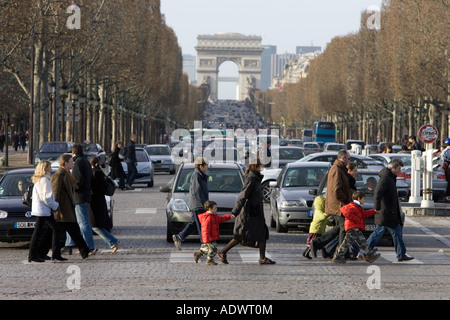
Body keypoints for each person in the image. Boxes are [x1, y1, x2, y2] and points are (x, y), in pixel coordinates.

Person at [218, 158, 275, 265]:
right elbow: (243, 195)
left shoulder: (256, 178)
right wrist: (235, 211)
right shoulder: (252, 178)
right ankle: (222, 252)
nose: (262, 167)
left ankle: (262, 258)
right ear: (256, 166)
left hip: (256, 213)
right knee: (240, 236)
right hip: (249, 214)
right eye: (260, 165)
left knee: (262, 234)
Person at [366, 159, 414, 262]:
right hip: (385, 213)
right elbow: (377, 194)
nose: (399, 171)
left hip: (390, 213)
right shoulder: (385, 179)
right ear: (393, 168)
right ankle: (364, 252)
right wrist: (377, 208)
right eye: (398, 169)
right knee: (378, 233)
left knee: (396, 233)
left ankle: (401, 254)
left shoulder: (390, 178)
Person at [310, 149, 352, 258]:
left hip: (338, 204)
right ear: (342, 158)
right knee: (344, 228)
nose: (349, 161)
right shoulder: (337, 170)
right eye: (348, 158)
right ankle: (341, 252)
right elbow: (336, 190)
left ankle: (318, 243)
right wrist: (345, 200)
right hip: (338, 205)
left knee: (339, 228)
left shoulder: (339, 169)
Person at [51, 154, 90, 259]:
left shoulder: (67, 174)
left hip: (67, 209)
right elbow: (56, 194)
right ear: (65, 163)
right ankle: (84, 251)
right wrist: (55, 210)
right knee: (72, 232)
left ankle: (55, 253)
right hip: (63, 210)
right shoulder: (59, 175)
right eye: (71, 161)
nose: (73, 163)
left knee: (69, 232)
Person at [28, 160, 64, 262]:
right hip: (43, 210)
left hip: (42, 209)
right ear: (45, 169)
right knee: (44, 231)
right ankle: (35, 254)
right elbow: (46, 198)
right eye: (49, 167)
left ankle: (41, 253)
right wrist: (55, 206)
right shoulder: (44, 180)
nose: (51, 168)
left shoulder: (40, 180)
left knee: (48, 230)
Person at [333, 191, 381, 263]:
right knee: (346, 243)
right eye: (363, 199)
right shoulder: (352, 206)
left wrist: (374, 211)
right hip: (352, 228)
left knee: (362, 242)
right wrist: (357, 219)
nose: (364, 201)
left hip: (355, 228)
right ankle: (338, 256)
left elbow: (364, 214)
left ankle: (369, 254)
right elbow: (347, 213)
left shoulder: (358, 207)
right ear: (359, 199)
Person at [172, 157, 209, 249]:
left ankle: (179, 237)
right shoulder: (197, 176)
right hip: (198, 205)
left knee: (194, 224)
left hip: (198, 204)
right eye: (206, 166)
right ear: (201, 166)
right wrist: (204, 203)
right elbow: (197, 191)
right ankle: (204, 243)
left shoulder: (201, 175)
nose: (207, 167)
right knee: (201, 225)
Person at [66, 144, 97, 255]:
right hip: (84, 195)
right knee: (79, 222)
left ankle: (89, 246)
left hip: (79, 196)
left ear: (73, 152)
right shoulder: (85, 161)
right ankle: (73, 244)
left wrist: (72, 187)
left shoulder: (78, 162)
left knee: (83, 223)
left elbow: (78, 181)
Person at [89, 157, 119, 253]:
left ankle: (112, 241)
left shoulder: (95, 173)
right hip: (98, 201)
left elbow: (98, 188)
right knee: (91, 226)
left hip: (96, 202)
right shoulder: (98, 172)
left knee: (95, 226)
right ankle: (86, 246)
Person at [194, 201, 233, 265]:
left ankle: (199, 253)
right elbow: (205, 229)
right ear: (210, 209)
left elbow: (221, 219)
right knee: (213, 249)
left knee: (208, 249)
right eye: (215, 208)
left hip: (212, 236)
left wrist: (229, 216)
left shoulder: (213, 216)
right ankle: (209, 260)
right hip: (209, 237)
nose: (216, 209)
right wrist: (206, 239)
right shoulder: (208, 218)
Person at [302, 195, 333, 259]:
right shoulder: (318, 211)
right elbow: (323, 217)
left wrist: (331, 223)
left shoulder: (321, 212)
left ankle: (325, 253)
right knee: (313, 243)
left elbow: (325, 221)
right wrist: (329, 212)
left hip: (320, 230)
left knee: (322, 242)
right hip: (315, 230)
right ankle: (306, 253)